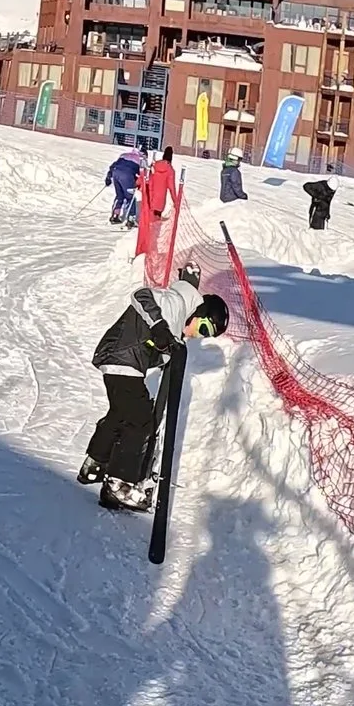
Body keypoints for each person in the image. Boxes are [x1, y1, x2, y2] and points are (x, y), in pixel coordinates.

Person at [78, 269, 230, 511]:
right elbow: (141, 296)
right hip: (122, 360)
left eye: (205, 336)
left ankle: (95, 462)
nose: (196, 336)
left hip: (123, 361)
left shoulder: (177, 322)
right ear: (198, 312)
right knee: (140, 420)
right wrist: (160, 327)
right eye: (202, 329)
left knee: (121, 414)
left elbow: (156, 350)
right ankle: (119, 483)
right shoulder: (175, 304)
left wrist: (166, 348)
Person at [106, 150, 144, 227]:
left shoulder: (124, 155)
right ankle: (131, 219)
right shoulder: (141, 159)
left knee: (119, 195)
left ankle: (115, 215)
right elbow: (142, 175)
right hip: (127, 175)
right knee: (130, 197)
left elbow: (113, 165)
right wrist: (138, 185)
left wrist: (108, 177)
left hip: (116, 173)